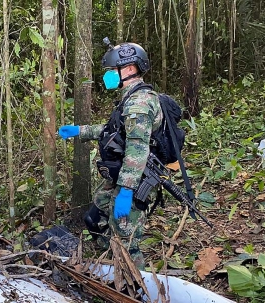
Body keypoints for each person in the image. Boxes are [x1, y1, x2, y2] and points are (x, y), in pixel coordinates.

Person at [58, 42, 162, 269]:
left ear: (128, 69)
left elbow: (137, 148)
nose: (107, 76)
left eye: (111, 71)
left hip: (136, 179)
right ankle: (113, 262)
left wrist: (126, 190)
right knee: (95, 217)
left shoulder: (139, 103)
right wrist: (80, 131)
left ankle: (136, 284)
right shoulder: (130, 97)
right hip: (121, 174)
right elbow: (114, 132)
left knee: (127, 240)